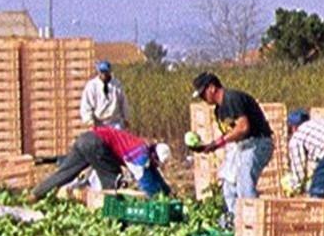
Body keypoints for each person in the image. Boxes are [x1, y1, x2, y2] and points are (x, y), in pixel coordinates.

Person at [189, 71, 274, 222]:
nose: (203, 98)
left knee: (244, 184)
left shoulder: (232, 98)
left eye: (203, 94)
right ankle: (237, 222)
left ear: (212, 88)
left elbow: (243, 128)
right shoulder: (218, 110)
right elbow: (231, 136)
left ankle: (253, 223)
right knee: (229, 185)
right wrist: (208, 146)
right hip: (241, 146)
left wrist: (216, 144)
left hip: (257, 143)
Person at [32, 126, 172, 200]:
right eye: (157, 161)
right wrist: (156, 198)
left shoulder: (143, 148)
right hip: (97, 144)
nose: (156, 164)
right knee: (113, 181)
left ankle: (35, 194)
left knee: (65, 173)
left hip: (86, 138)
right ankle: (112, 219)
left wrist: (167, 191)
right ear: (153, 155)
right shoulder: (140, 156)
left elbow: (154, 174)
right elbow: (146, 182)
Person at [79, 60, 129, 129]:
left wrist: (126, 118)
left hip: (114, 122)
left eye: (106, 72)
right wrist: (89, 121)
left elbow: (123, 102)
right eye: (102, 72)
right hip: (98, 123)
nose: (104, 74)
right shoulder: (92, 86)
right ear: (99, 72)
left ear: (109, 72)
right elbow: (86, 105)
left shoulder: (116, 85)